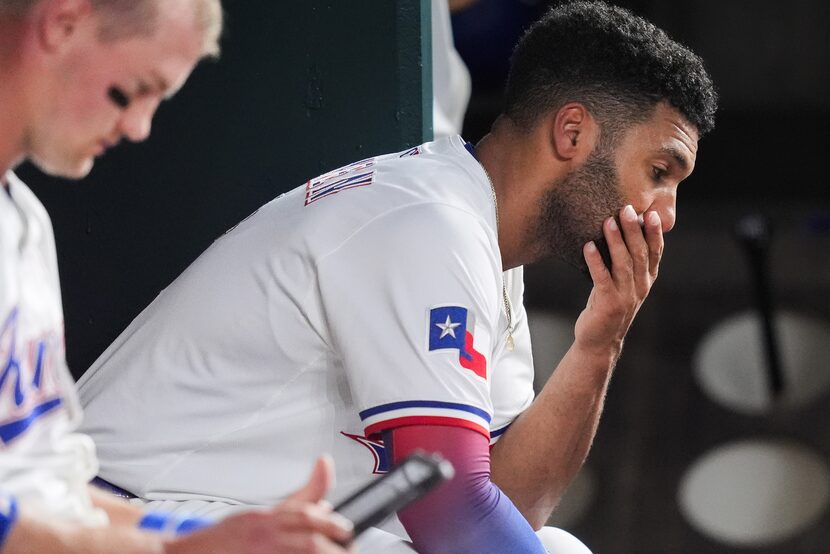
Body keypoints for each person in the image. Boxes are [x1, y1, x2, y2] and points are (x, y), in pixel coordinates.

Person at [78, 1, 718, 551]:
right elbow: (453, 519)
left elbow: (510, 508)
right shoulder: (429, 222)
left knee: (552, 546)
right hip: (123, 518)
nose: (665, 211)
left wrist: (598, 343)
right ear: (572, 132)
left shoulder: (485, 247)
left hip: (235, 519)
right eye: (659, 172)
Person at [0, 0, 354, 551]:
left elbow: (52, 491)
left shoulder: (25, 221)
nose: (139, 126)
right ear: (62, 23)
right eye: (131, 90)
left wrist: (234, 537)